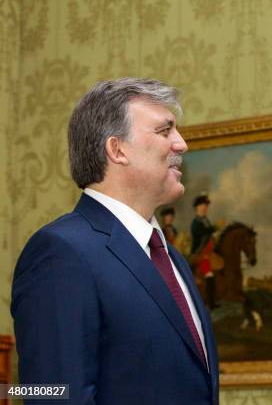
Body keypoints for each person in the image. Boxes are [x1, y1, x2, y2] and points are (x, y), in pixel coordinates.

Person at [11, 78, 219, 404]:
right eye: (165, 131)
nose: (182, 144)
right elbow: (55, 396)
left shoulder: (171, 258)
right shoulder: (61, 253)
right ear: (117, 149)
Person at [191, 194, 219, 309]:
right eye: (202, 206)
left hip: (208, 252)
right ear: (197, 208)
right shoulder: (196, 222)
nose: (204, 208)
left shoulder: (206, 220)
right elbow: (203, 232)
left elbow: (210, 234)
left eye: (206, 206)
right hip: (199, 254)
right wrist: (215, 228)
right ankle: (210, 303)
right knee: (209, 276)